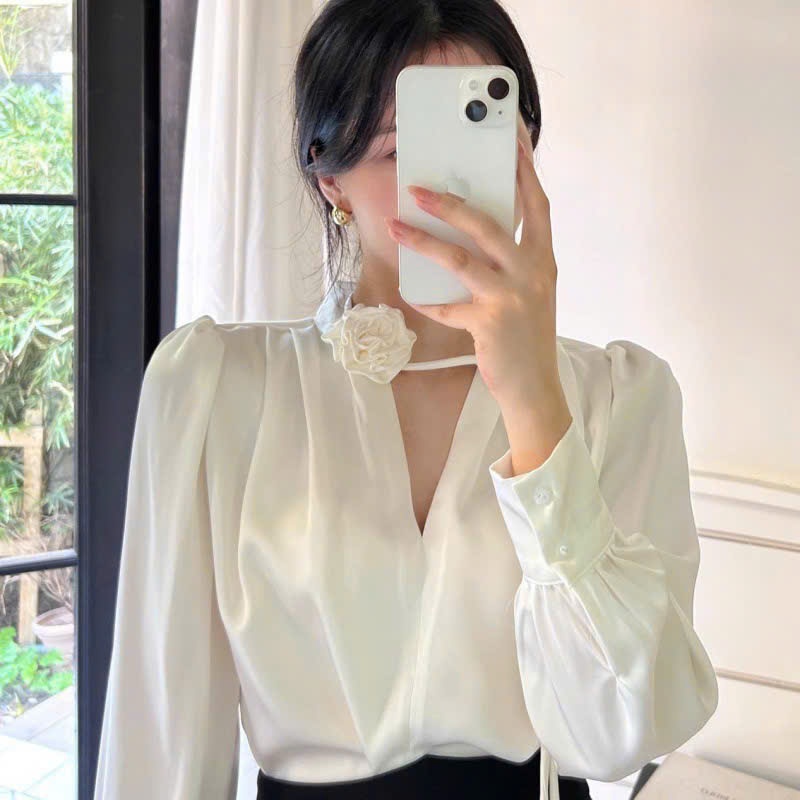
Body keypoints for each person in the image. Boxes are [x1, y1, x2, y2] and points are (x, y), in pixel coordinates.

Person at [92, 1, 719, 798]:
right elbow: (162, 729)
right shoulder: (219, 391)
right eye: (398, 148)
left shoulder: (619, 398)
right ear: (330, 177)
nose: (443, 186)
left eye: (478, 135)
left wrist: (534, 405)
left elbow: (623, 735)